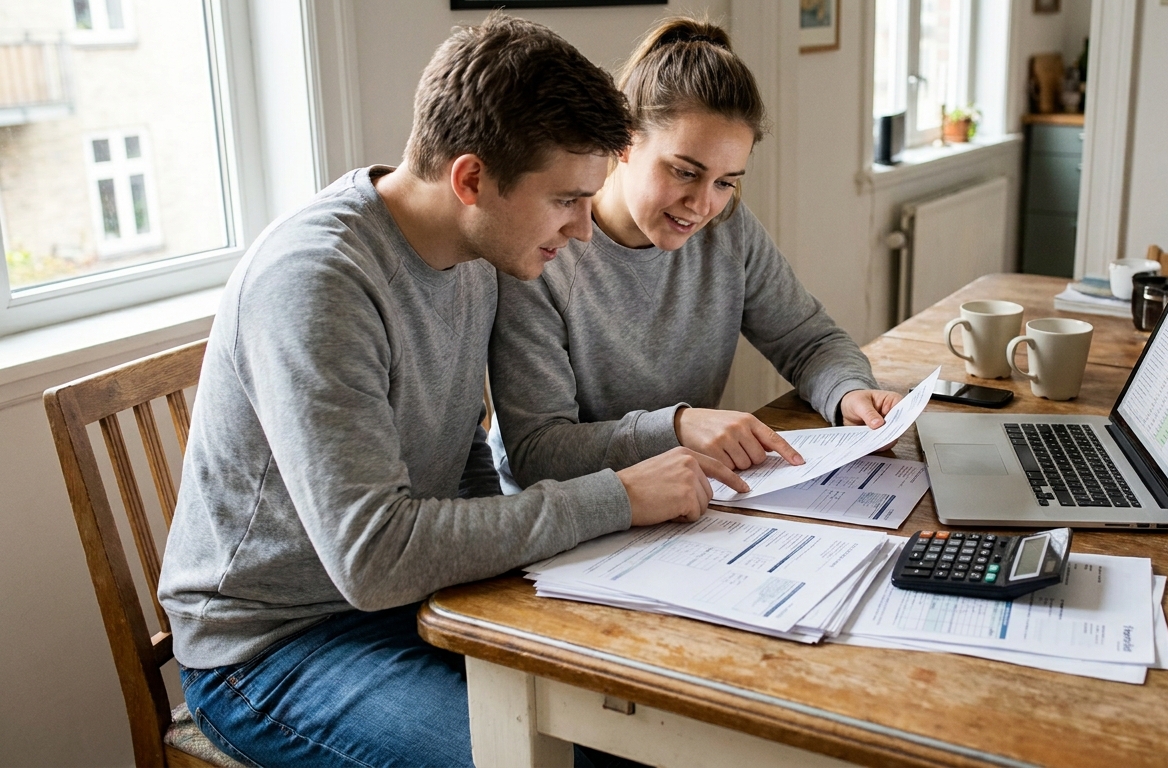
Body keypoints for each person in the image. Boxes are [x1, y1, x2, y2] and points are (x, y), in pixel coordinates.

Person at [157, 15, 745, 768]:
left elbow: (459, 456)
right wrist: (616, 498)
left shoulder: (475, 253)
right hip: (274, 649)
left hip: (416, 605)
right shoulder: (316, 283)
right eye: (566, 200)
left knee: (650, 725)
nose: (583, 231)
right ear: (470, 179)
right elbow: (373, 556)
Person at [490, 17, 903, 493]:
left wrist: (847, 391)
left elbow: (808, 340)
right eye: (685, 172)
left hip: (684, 505)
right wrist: (678, 428)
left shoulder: (728, 231)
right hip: (567, 520)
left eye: (726, 182)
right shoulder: (542, 249)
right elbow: (537, 453)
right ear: (624, 142)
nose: (703, 205)